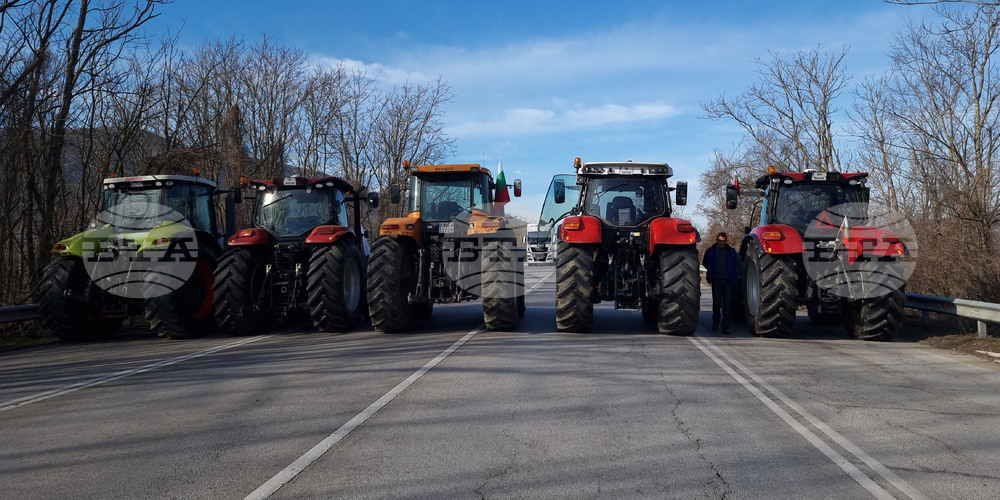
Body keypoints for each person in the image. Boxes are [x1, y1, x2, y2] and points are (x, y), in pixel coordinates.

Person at [702, 232, 741, 333]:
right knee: (716, 303)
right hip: (716, 280)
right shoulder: (711, 251)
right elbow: (705, 263)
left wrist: (733, 275)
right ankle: (715, 323)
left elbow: (736, 265)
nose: (722, 243)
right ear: (717, 240)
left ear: (726, 241)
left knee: (727, 304)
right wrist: (711, 272)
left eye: (724, 241)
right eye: (720, 241)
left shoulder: (731, 252)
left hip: (728, 281)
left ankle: (726, 325)